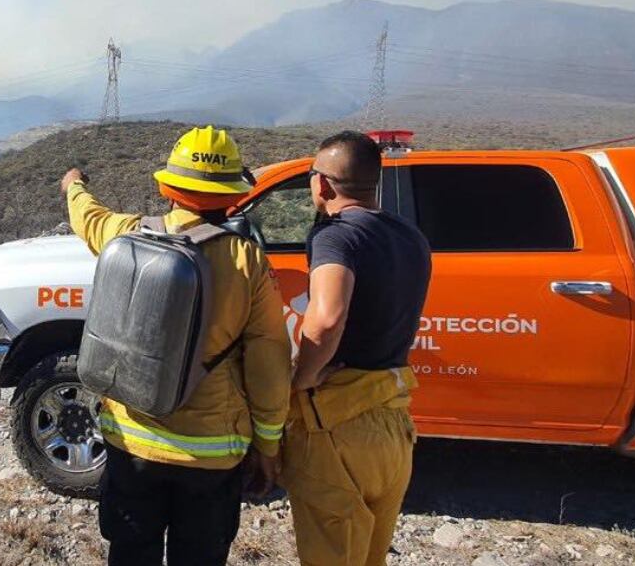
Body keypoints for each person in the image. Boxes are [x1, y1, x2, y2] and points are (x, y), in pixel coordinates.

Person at [61, 125, 291, 566]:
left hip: (131, 443)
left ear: (167, 187)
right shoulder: (247, 261)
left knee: (130, 551)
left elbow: (87, 217)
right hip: (209, 455)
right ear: (232, 197)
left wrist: (74, 185)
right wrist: (268, 445)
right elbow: (269, 364)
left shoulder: (126, 233)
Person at [280, 131, 431, 566]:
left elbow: (326, 318)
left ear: (322, 184)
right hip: (394, 422)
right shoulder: (411, 237)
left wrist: (301, 379)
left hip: (338, 425)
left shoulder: (336, 236)